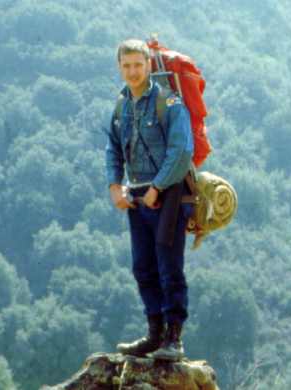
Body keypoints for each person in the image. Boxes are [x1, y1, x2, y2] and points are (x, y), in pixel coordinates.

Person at [105, 39, 194, 361]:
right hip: (137, 196)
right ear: (119, 67)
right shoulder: (122, 105)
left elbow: (182, 151)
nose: (132, 71)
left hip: (171, 193)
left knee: (169, 267)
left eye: (138, 65)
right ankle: (153, 335)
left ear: (149, 66)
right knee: (143, 267)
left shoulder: (169, 103)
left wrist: (158, 186)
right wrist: (115, 185)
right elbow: (112, 148)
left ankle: (174, 338)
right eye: (126, 65)